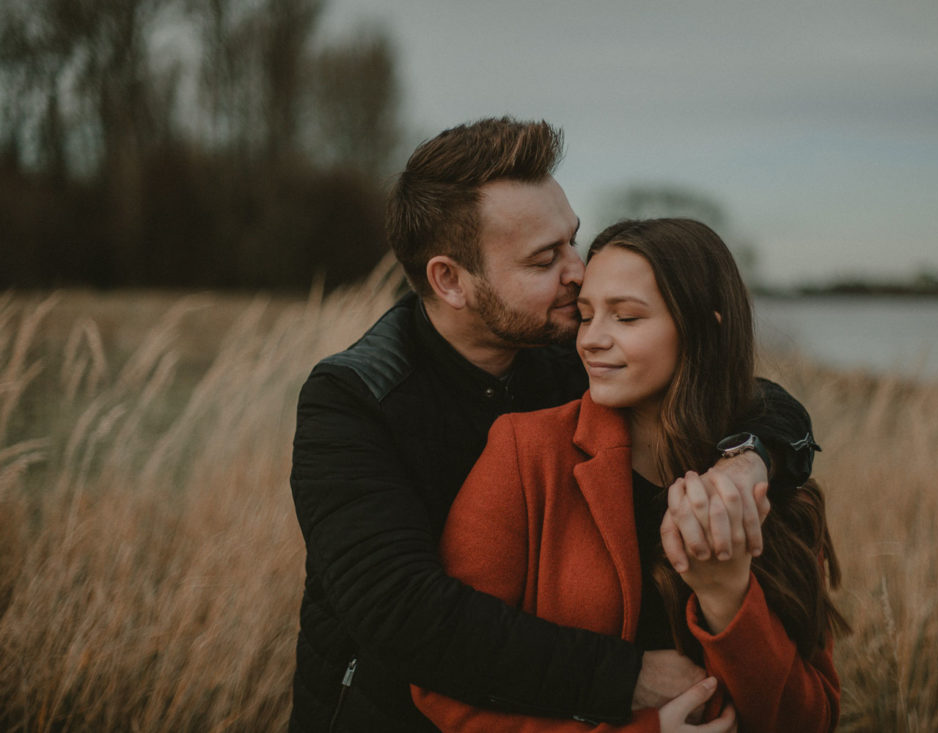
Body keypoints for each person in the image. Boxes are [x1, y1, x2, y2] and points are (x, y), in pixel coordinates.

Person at [289, 118, 823, 732]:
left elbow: (740, 393)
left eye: (573, 240)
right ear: (451, 280)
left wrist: (749, 457)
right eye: (546, 258)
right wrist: (627, 677)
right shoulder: (354, 401)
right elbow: (401, 613)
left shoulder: (573, 352)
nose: (578, 270)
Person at [412, 218, 848, 732]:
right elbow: (444, 685)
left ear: (704, 327)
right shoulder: (526, 453)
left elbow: (812, 719)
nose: (592, 340)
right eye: (586, 314)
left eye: (626, 317)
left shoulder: (765, 484)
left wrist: (727, 594)